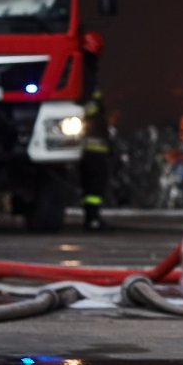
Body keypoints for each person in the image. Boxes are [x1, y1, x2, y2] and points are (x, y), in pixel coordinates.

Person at [79, 31, 111, 232]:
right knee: (96, 177)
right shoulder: (84, 70)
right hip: (90, 136)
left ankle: (92, 217)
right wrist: (96, 112)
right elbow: (86, 103)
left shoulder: (84, 68)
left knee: (93, 178)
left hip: (91, 135)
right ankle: (92, 219)